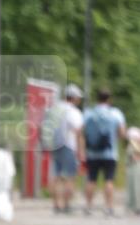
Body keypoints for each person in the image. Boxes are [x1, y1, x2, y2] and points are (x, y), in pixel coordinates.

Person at [82, 88, 127, 216]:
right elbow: (122, 133)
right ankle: (108, 207)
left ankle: (88, 207)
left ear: (97, 98)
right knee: (109, 180)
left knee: (91, 180)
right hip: (110, 153)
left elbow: (81, 131)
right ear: (109, 99)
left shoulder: (89, 113)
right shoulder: (115, 113)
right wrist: (115, 138)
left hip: (92, 152)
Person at [42, 83, 84, 213]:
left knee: (56, 177)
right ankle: (66, 206)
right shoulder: (73, 111)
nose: (79, 100)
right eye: (78, 97)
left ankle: (56, 205)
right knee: (69, 177)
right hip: (68, 146)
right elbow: (78, 131)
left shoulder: (54, 108)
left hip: (54, 145)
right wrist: (81, 151)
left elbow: (43, 126)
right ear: (74, 97)